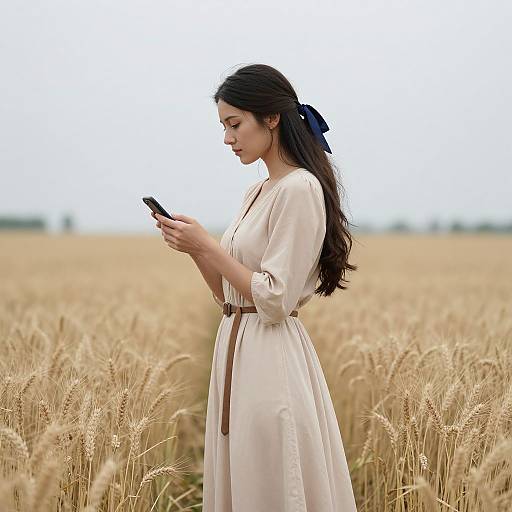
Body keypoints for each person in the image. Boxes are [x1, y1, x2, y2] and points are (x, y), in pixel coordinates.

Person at [152, 63, 358, 512]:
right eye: (224, 126)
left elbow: (273, 299)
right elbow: (229, 297)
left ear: (271, 118)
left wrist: (209, 244)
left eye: (234, 124)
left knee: (271, 479)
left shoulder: (300, 189)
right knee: (246, 478)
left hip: (270, 359)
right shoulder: (258, 191)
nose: (228, 138)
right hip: (238, 348)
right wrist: (195, 249)